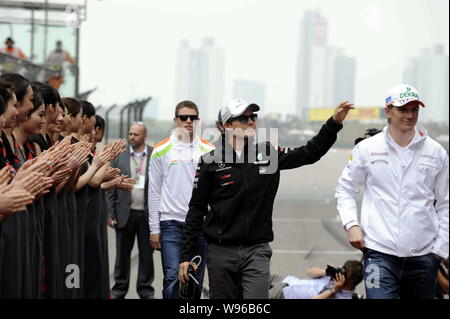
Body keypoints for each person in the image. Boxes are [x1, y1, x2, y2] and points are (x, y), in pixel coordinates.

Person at [179, 98, 354, 299]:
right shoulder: (209, 161)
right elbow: (196, 209)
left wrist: (334, 123)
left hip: (256, 251)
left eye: (253, 117)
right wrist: (186, 256)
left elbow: (309, 153)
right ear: (226, 126)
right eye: (243, 119)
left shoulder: (268, 154)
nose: (251, 122)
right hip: (220, 253)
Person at [335, 84, 449, 299]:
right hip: (379, 254)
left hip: (425, 257)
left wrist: (440, 250)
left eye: (415, 109)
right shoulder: (367, 148)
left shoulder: (436, 152)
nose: (410, 115)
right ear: (388, 111)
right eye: (403, 109)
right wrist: (352, 225)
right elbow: (345, 188)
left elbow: (445, 203)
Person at [149, 101, 214, 299]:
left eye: (193, 118)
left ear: (198, 121)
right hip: (171, 225)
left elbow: (216, 192)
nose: (188, 121)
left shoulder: (209, 150)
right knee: (173, 278)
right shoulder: (161, 150)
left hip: (200, 226)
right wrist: (154, 229)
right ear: (175, 120)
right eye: (184, 117)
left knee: (194, 280)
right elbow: (154, 191)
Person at [106, 122, 155, 299]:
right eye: (130, 134)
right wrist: (110, 213)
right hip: (124, 213)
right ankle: (119, 290)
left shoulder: (155, 154)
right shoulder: (120, 156)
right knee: (122, 257)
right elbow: (110, 188)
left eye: (136, 134)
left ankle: (145, 291)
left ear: (145, 136)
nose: (132, 137)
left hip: (147, 215)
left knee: (146, 257)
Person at [269, 260, 364, 299]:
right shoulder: (333, 276)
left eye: (345, 272)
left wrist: (333, 291)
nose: (341, 273)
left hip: (284, 294)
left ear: (351, 281)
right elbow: (309, 272)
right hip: (286, 280)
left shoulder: (344, 297)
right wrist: (328, 272)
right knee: (256, 276)